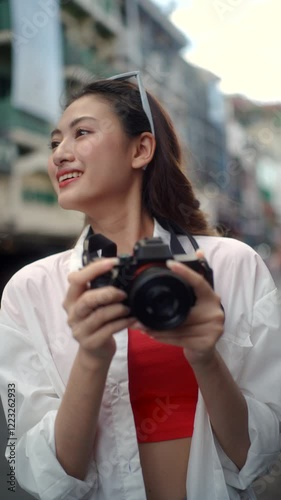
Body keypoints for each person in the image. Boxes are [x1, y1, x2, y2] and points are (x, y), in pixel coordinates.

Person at [0, 71, 281, 500]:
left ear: (141, 148)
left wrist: (205, 357)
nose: (59, 154)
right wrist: (92, 357)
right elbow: (35, 472)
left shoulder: (232, 266)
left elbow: (258, 454)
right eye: (54, 142)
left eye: (81, 133)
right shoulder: (28, 290)